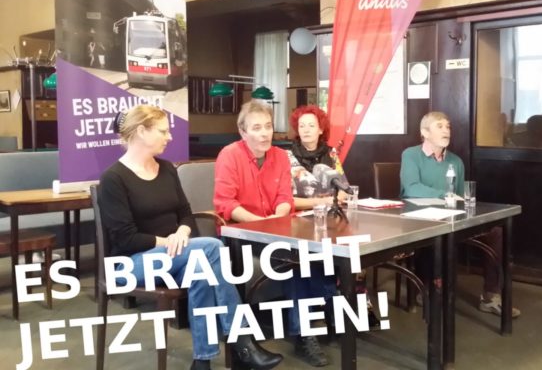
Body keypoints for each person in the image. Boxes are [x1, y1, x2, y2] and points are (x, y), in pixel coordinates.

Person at [99, 105, 283, 370]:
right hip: (130, 264)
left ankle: (202, 362)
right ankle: (242, 341)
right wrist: (168, 242)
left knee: (201, 269)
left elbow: (186, 214)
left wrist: (181, 232)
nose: (169, 137)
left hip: (175, 256)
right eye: (163, 131)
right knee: (212, 247)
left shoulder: (166, 169)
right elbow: (125, 239)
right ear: (141, 132)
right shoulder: (113, 178)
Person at [214, 100, 335, 367]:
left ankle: (328, 308)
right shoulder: (229, 155)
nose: (264, 133)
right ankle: (304, 334)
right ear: (243, 132)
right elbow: (226, 204)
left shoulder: (280, 156)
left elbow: (284, 198)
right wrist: (260, 223)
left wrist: (276, 218)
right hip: (241, 235)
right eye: (256, 128)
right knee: (294, 260)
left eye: (268, 126)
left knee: (314, 251)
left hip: (276, 229)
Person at [400, 111, 520, 318]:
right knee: (436, 236)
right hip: (419, 219)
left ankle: (491, 296)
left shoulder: (455, 161)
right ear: (424, 132)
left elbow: (460, 196)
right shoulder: (411, 155)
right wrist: (444, 195)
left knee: (496, 232)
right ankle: (427, 289)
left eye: (448, 126)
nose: (446, 130)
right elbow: (411, 188)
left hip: (451, 219)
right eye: (439, 126)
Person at [287, 104, 379, 327]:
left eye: (311, 125)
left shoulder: (331, 154)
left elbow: (343, 188)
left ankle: (357, 307)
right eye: (302, 126)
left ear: (321, 129)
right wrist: (323, 201)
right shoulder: (287, 157)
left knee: (353, 250)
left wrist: (338, 198)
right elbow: (288, 200)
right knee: (323, 254)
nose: (306, 130)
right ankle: (332, 307)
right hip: (301, 220)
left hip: (331, 217)